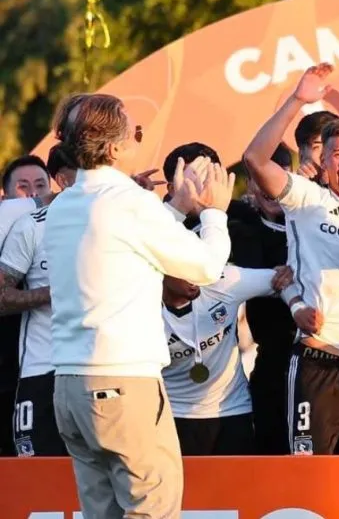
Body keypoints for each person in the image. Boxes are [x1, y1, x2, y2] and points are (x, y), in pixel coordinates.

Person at [44, 93, 234, 518]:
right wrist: (215, 213)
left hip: (71, 384)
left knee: (102, 513)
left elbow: (119, 241)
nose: (139, 140)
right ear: (113, 147)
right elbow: (204, 267)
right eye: (137, 133)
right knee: (153, 510)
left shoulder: (65, 205)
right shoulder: (129, 203)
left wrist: (174, 208)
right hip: (124, 383)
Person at [244, 65, 339, 456]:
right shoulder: (309, 199)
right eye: (337, 154)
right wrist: (297, 100)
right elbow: (255, 158)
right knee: (309, 479)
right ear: (323, 162)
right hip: (317, 361)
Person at [162, 265, 291, 456]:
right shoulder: (138, 300)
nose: (195, 272)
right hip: (172, 414)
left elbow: (285, 281)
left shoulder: (223, 281)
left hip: (232, 409)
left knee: (236, 485)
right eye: (183, 263)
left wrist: (296, 301)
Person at [1, 144, 79, 457]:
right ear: (63, 178)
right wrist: (55, 292)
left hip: (101, 370)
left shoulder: (120, 217)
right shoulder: (27, 222)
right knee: (36, 476)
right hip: (39, 370)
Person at [229, 142, 292, 454]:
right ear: (249, 185)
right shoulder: (237, 228)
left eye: (277, 176)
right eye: (258, 179)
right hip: (269, 365)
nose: (268, 188)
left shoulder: (316, 219)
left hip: (322, 364)